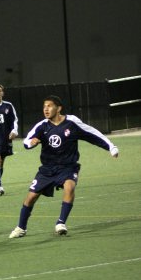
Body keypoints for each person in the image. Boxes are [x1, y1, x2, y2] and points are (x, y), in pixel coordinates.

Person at [9, 95, 119, 238]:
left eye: (49, 106)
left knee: (69, 187)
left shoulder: (72, 122)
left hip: (68, 167)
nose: (46, 109)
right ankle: (21, 228)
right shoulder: (42, 126)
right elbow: (27, 141)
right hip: (48, 168)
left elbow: (92, 134)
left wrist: (111, 147)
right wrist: (31, 143)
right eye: (44, 106)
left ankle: (61, 222)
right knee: (31, 197)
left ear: (58, 108)